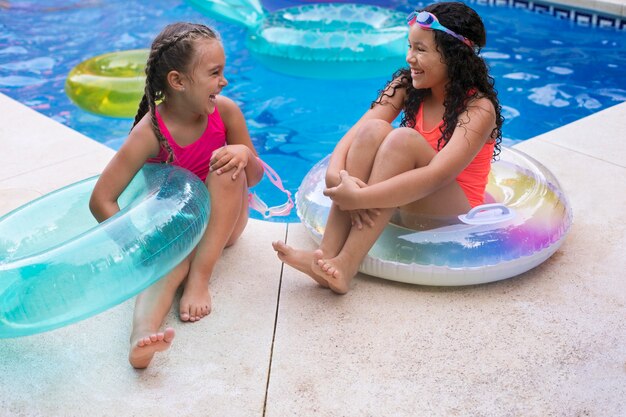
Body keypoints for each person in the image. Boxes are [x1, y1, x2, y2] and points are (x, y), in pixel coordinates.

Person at [273, 2, 503, 294]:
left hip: (452, 214)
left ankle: (346, 265)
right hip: (404, 198)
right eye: (410, 47)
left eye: (421, 49)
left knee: (402, 139)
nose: (410, 58)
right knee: (374, 130)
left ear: (453, 56)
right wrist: (335, 175)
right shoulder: (407, 85)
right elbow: (360, 129)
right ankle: (326, 255)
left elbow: (438, 175)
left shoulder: (477, 108)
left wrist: (360, 197)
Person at [89, 22, 263, 368]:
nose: (224, 81)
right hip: (180, 227)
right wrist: (137, 245)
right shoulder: (151, 132)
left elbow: (253, 178)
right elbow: (101, 199)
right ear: (178, 81)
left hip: (224, 222)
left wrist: (244, 155)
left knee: (227, 171)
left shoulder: (225, 112)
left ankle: (200, 278)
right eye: (215, 73)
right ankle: (142, 337)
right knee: (168, 265)